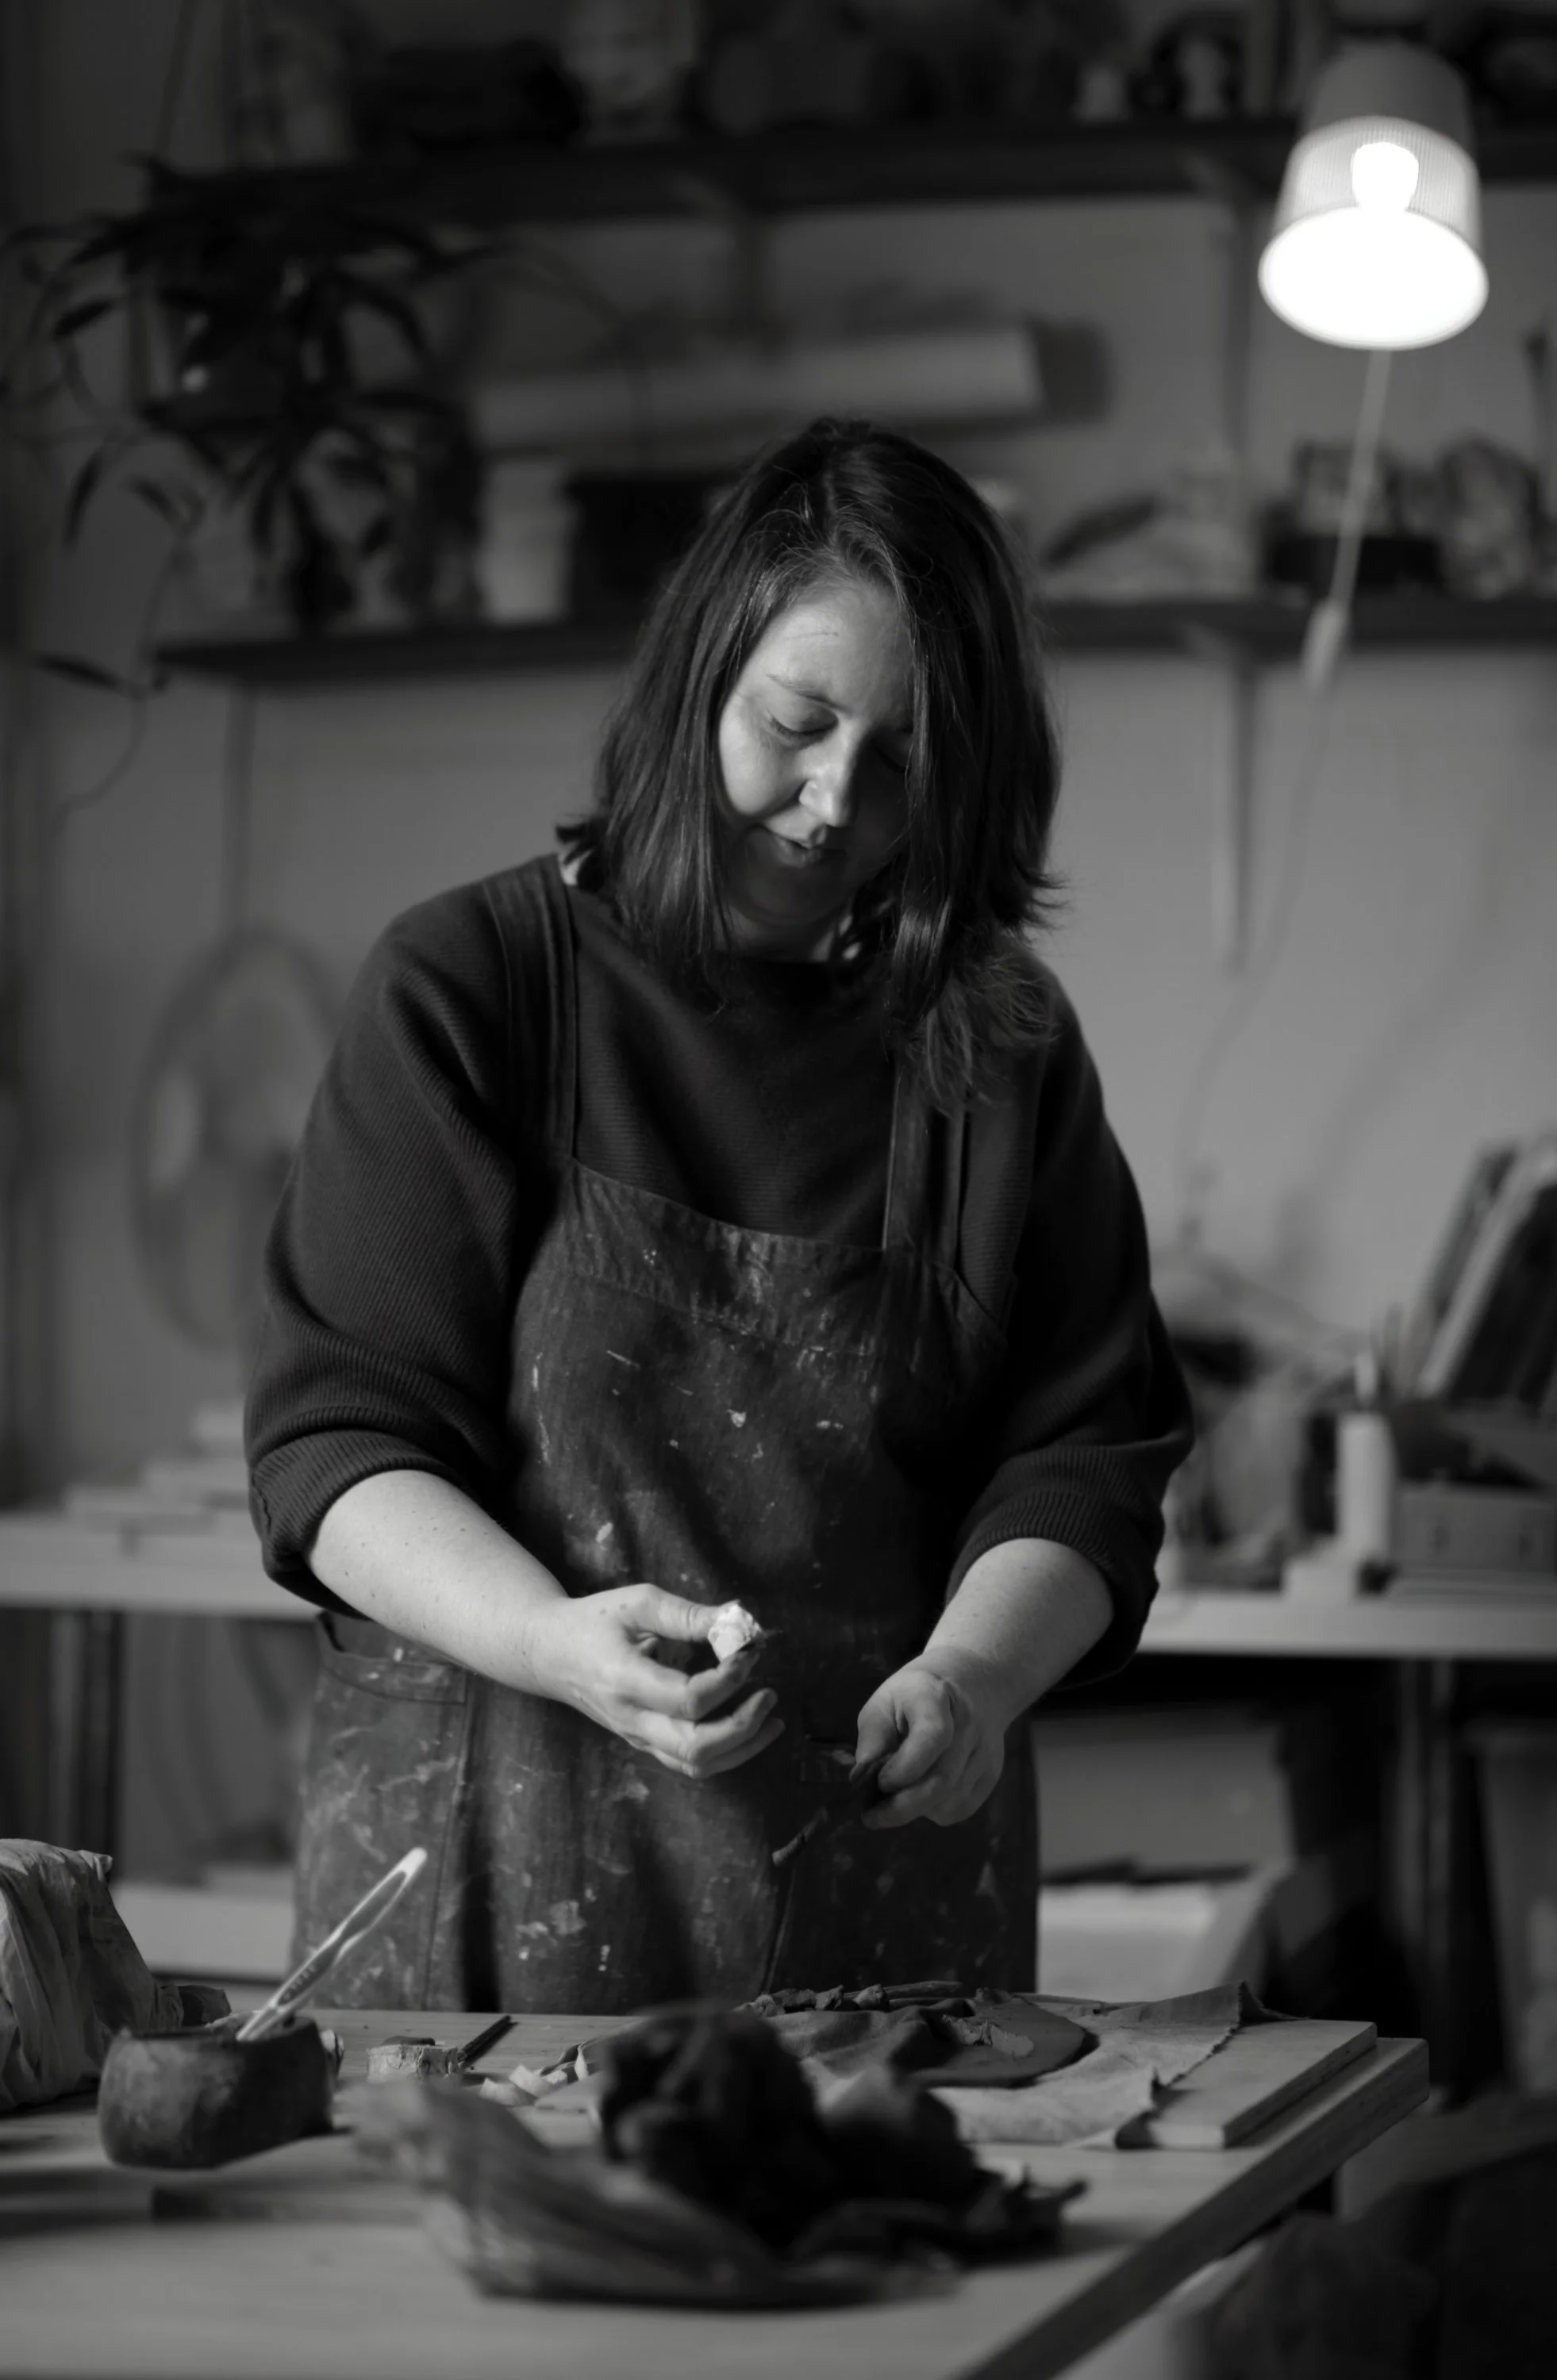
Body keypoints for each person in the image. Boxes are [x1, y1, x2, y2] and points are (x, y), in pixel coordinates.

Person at [245, 416, 1193, 2013]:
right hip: (490, 1903)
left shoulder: (996, 1054)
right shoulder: (468, 991)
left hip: (874, 1920)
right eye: (798, 722)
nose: (833, 801)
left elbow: (1085, 1461)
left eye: (903, 761)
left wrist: (974, 1676)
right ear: (702, 676)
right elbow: (337, 1445)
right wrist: (552, 1640)